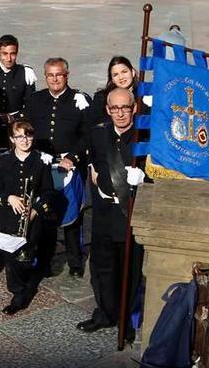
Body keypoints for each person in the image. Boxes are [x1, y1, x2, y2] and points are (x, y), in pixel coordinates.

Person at [77, 87, 146, 343]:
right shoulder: (98, 133)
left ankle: (124, 320)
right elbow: (92, 156)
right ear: (107, 110)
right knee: (102, 269)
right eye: (114, 108)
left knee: (130, 271)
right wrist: (93, 167)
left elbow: (158, 173)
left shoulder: (143, 140)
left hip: (129, 214)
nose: (120, 113)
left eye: (125, 107)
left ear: (134, 108)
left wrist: (144, 178)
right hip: (104, 214)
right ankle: (105, 313)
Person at [24, 57, 92, 278]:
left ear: (67, 75)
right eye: (50, 75)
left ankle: (74, 262)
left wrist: (73, 157)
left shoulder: (79, 100)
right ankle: (44, 259)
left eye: (59, 74)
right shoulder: (35, 100)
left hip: (68, 165)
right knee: (44, 212)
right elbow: (27, 129)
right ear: (45, 77)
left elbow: (87, 135)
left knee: (73, 215)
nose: (55, 79)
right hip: (44, 165)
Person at [0, 120, 56, 314]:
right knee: (12, 258)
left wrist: (36, 210)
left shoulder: (40, 161)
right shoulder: (5, 160)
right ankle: (18, 293)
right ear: (12, 139)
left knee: (26, 256)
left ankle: (26, 281)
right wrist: (8, 197)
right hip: (9, 218)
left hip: (31, 218)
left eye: (28, 135)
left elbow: (49, 192)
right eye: (19, 136)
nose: (24, 140)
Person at [0, 35, 37, 150]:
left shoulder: (25, 73)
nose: (8, 58)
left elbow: (30, 104)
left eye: (12, 54)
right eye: (4, 53)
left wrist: (12, 117)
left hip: (17, 125)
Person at [91, 56, 137, 125]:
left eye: (124, 72)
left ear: (132, 72)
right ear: (112, 79)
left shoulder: (144, 96)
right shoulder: (101, 99)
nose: (121, 77)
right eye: (115, 75)